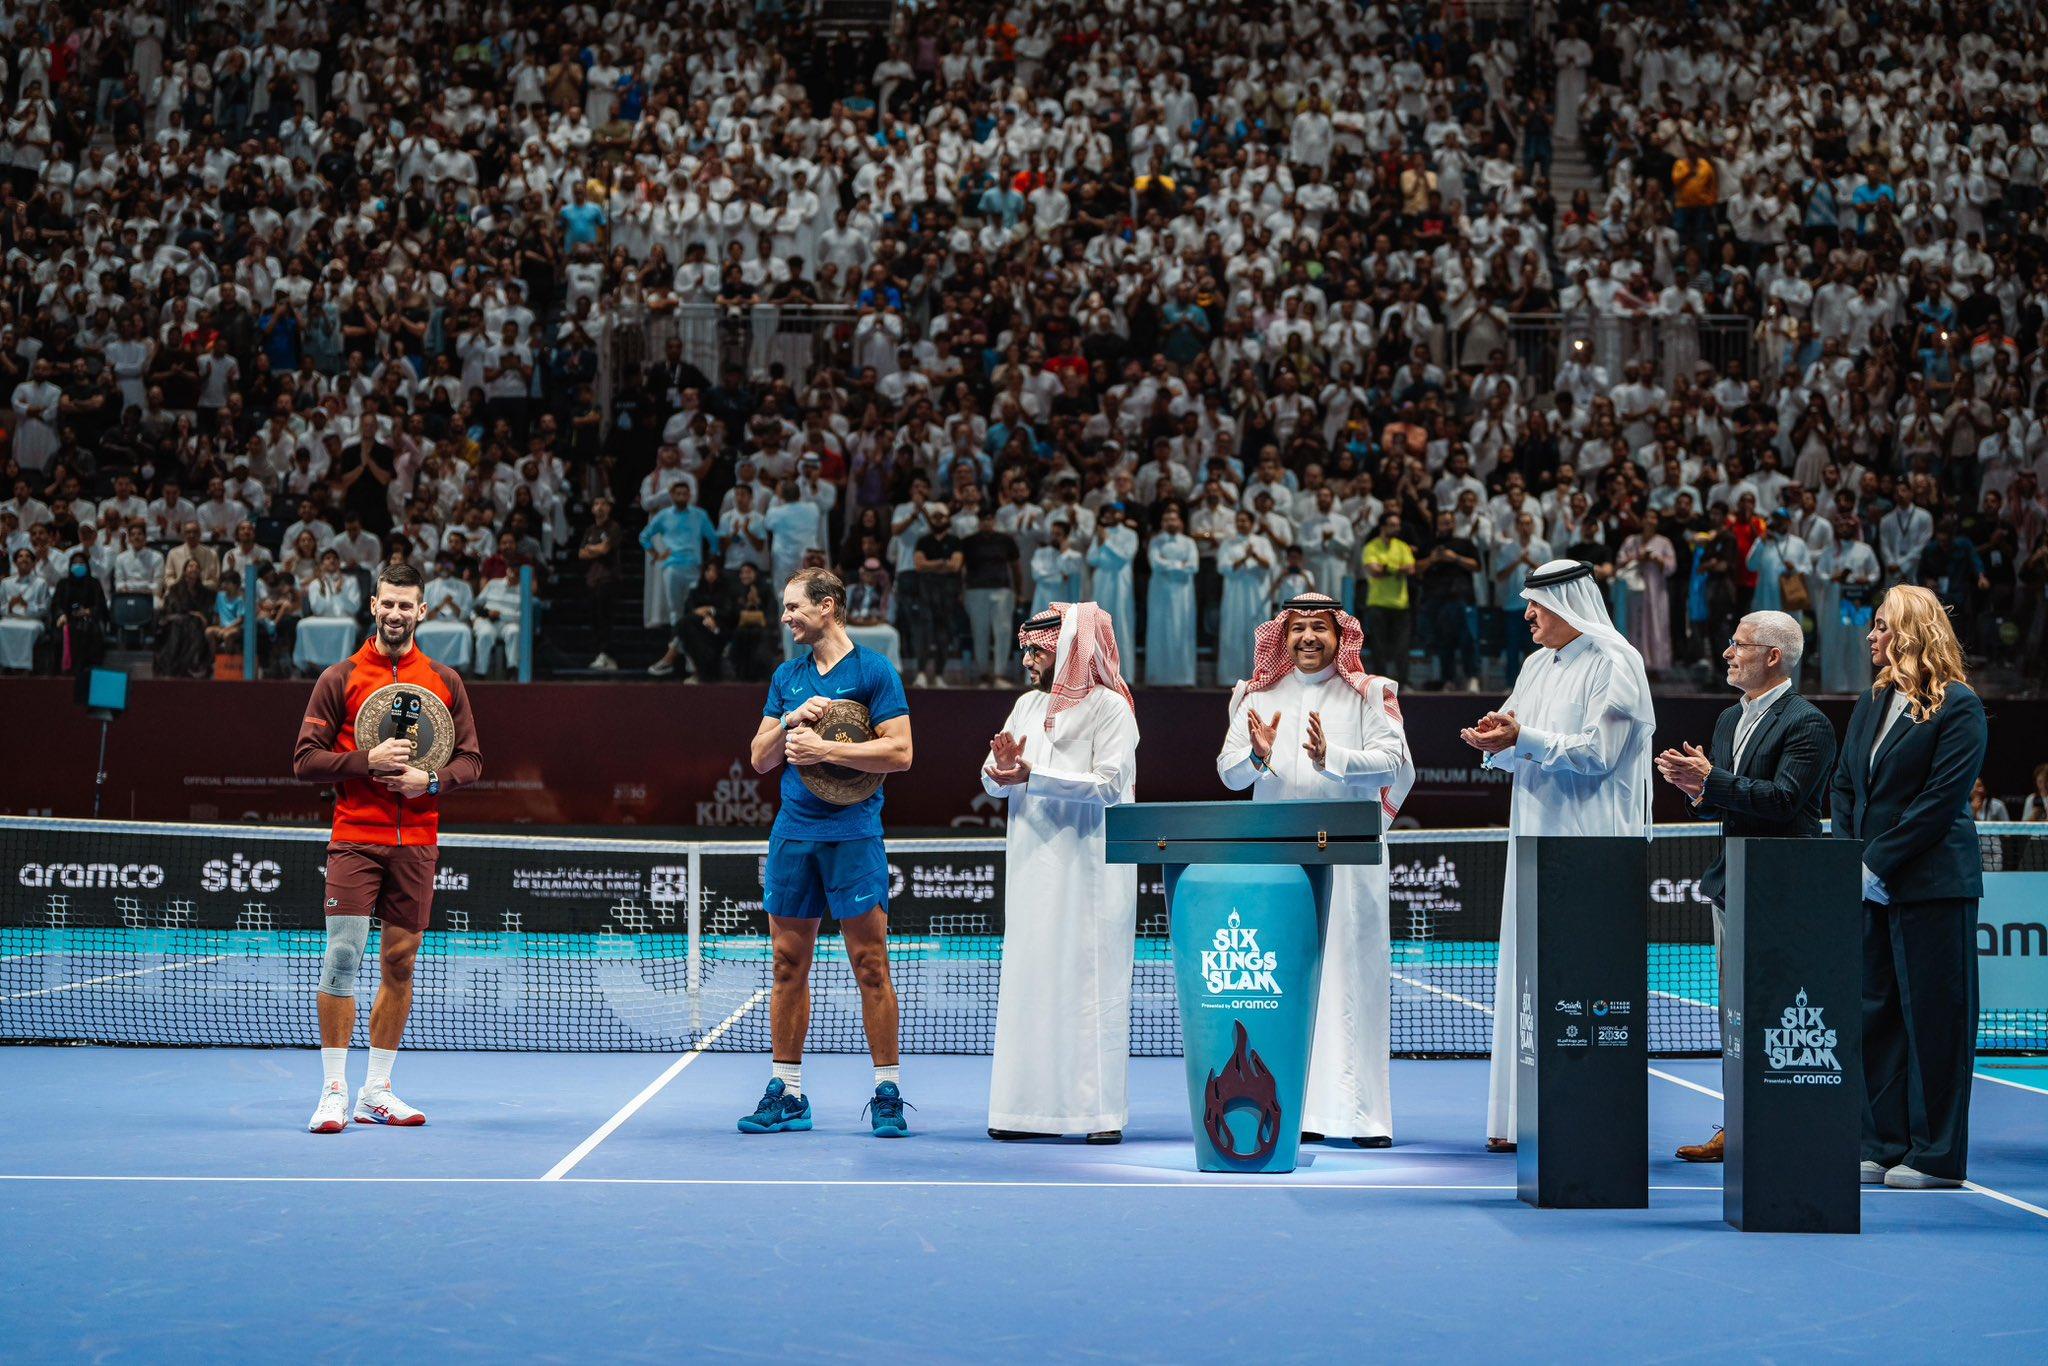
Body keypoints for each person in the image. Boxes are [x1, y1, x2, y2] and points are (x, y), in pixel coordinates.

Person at [1460, 560, 1656, 1151]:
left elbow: (1600, 752)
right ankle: (1522, 1117)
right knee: (1529, 972)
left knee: (1585, 975)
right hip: (1533, 837)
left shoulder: (1616, 663)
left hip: (1594, 839)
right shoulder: (1534, 664)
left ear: (1568, 606)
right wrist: (1497, 738)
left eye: (1537, 607)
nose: (1527, 617)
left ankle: (1584, 1116)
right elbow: (1518, 736)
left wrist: (1523, 739)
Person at [292, 562, 483, 1133]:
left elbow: (471, 761)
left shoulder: (445, 681)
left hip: (418, 842)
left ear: (422, 611)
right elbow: (304, 760)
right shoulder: (341, 676)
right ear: (373, 606)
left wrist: (430, 782)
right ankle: (332, 1090)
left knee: (399, 963)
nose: (397, 613)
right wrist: (362, 762)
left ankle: (376, 1090)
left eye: (408, 605)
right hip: (355, 835)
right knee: (343, 957)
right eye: (388, 603)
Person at [1218, 594, 1414, 1146]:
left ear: (1339, 636)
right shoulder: (1255, 695)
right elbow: (1229, 776)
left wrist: (1334, 760)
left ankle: (1358, 1116)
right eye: (1298, 627)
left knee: (1351, 981)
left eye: (1319, 628)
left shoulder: (1371, 693)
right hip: (1277, 859)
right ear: (1282, 635)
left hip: (1349, 860)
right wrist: (1256, 754)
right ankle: (1291, 1112)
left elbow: (1393, 761)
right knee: (1283, 982)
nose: (1308, 637)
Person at [1656, 610, 1838, 1163]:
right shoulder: (1728, 720)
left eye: (1738, 645)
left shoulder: (1808, 724)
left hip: (1783, 887)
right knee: (1734, 1015)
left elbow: (1785, 800)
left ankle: (1786, 1127)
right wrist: (1696, 788)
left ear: (1773, 656)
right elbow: (1725, 800)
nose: (1728, 654)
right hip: (1732, 882)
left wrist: (1713, 780)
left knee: (1779, 1013)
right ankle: (1736, 1127)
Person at [743, 568, 915, 1138]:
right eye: (785, 607)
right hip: (794, 834)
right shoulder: (787, 677)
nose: (786, 616)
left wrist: (823, 748)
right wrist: (792, 720)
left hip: (854, 835)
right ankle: (788, 1093)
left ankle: (886, 1090)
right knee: (787, 965)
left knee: (871, 966)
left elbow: (900, 752)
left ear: (828, 607)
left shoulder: (873, 671)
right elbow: (761, 758)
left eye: (795, 607)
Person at [1831, 585, 1988, 1190]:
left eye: (1881, 627)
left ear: (1911, 632)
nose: (1871, 637)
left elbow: (1939, 802)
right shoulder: (1872, 702)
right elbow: (1846, 787)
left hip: (1932, 886)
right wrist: (1853, 859)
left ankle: (1935, 1156)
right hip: (1869, 882)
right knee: (1876, 1014)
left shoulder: (1960, 706)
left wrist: (1877, 864)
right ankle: (1881, 1141)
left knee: (1936, 1020)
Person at [980, 602, 1140, 1143]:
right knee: (1031, 983)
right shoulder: (1025, 706)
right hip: (1031, 868)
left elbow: (1109, 785)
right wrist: (1001, 773)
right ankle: (1022, 1113)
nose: (1027, 660)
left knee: (1088, 989)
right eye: (1025, 650)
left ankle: (1095, 1117)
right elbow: (993, 776)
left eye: (1037, 651)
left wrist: (1035, 775)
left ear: (1069, 652)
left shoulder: (1111, 710)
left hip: (1091, 871)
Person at [642, 480, 718, 678]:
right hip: (672, 568)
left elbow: (714, 540)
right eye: (678, 493)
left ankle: (682, 659)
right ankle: (682, 660)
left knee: (693, 613)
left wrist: (709, 562)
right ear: (672, 495)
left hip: (693, 568)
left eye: (685, 493)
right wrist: (657, 554)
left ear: (690, 494)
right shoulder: (663, 515)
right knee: (676, 613)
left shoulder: (699, 515)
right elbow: (644, 536)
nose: (682, 496)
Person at [1815, 514, 1879, 692]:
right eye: (1840, 526)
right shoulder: (1829, 551)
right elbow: (1819, 573)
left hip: (1858, 603)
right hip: (1834, 604)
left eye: (1848, 526)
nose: (1844, 529)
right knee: (1835, 641)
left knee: (1858, 642)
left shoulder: (1864, 549)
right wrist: (1831, 577)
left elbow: (1875, 573)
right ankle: (1835, 686)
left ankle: (1859, 686)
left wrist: (1865, 579)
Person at [1217, 509, 1275, 683]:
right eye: (1238, 520)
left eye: (1244, 521)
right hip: (1234, 595)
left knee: (1256, 632)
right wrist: (1244, 558)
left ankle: (1259, 677)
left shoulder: (1262, 542)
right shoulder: (1228, 543)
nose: (1241, 524)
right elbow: (1223, 567)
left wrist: (1254, 555)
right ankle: (1231, 677)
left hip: (1257, 595)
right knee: (1233, 631)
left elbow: (1269, 565)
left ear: (1252, 523)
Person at [1359, 511, 1417, 685]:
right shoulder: (1371, 547)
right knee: (1379, 648)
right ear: (1382, 526)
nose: (1396, 528)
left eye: (1397, 525)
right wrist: (1397, 569)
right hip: (1377, 604)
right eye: (1392, 524)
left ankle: (1404, 683)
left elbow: (1411, 569)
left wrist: (1387, 568)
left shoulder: (1402, 546)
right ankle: (1380, 685)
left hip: (1400, 604)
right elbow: (1374, 571)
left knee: (1402, 647)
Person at [1144, 505, 1199, 685]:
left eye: (1173, 519)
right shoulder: (1156, 541)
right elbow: (1156, 564)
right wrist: (1179, 565)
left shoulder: (1189, 542)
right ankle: (1157, 677)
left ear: (1180, 522)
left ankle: (1184, 677)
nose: (1170, 522)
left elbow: (1193, 566)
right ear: (1161, 523)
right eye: (1167, 519)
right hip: (1160, 594)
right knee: (1160, 630)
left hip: (1183, 595)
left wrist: (1170, 564)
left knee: (1182, 631)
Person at [1086, 503, 1139, 682]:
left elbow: (1124, 556)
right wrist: (1101, 542)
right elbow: (1092, 559)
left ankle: (1125, 675)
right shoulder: (1100, 534)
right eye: (1108, 513)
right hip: (1101, 583)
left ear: (1122, 514)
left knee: (1121, 626)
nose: (1112, 515)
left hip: (1121, 585)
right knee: (1098, 626)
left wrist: (1106, 543)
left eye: (1115, 512)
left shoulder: (1130, 534)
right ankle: (1098, 674)